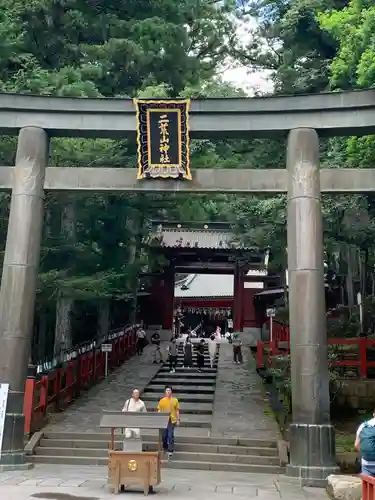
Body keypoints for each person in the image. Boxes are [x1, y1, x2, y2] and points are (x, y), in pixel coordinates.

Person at [157, 386, 180, 458]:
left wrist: (178, 419)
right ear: (165, 392)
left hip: (171, 419)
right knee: (164, 435)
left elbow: (177, 410)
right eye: (167, 390)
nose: (168, 392)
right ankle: (165, 447)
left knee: (170, 435)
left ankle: (170, 450)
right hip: (163, 419)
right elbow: (159, 410)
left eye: (169, 390)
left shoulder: (175, 400)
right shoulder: (162, 400)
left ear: (171, 391)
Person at [355, 411, 375, 475]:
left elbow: (356, 445)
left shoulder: (363, 425)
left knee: (367, 483)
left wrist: (365, 455)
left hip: (366, 463)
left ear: (373, 414)